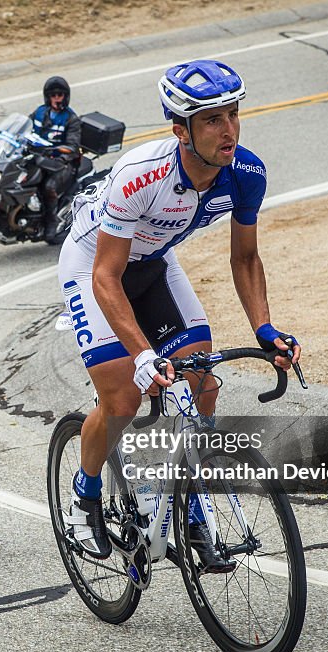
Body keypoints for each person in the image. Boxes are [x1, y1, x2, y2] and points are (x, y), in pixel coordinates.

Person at [57, 60, 301, 566]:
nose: (228, 128)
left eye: (232, 113)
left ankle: (188, 496)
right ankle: (85, 494)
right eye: (212, 119)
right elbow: (106, 276)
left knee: (203, 379)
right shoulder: (140, 176)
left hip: (154, 263)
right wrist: (143, 354)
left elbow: (246, 258)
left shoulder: (246, 173)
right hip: (94, 266)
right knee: (123, 398)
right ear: (180, 130)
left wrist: (265, 329)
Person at [29, 76, 82, 236]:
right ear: (48, 96)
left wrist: (58, 153)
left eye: (60, 95)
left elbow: (73, 147)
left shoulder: (71, 119)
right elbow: (23, 127)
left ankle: (51, 221)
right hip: (38, 158)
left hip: (62, 162)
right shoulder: (40, 112)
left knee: (49, 187)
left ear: (66, 97)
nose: (57, 98)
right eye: (54, 95)